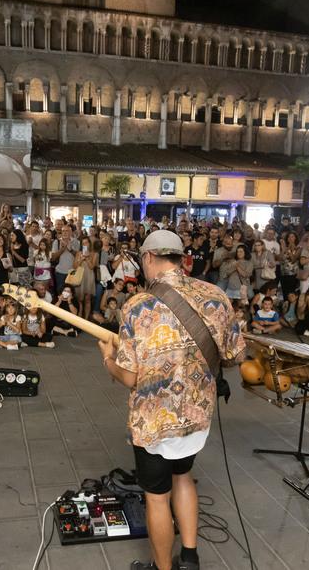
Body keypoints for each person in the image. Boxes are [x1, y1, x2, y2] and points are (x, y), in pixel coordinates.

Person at [96, 230, 244, 570]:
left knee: (156, 498)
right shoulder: (215, 295)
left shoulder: (137, 305)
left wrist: (108, 360)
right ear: (180, 258)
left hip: (155, 422)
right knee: (184, 478)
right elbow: (235, 354)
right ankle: (189, 558)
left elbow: (131, 377)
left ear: (148, 258)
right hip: (197, 416)